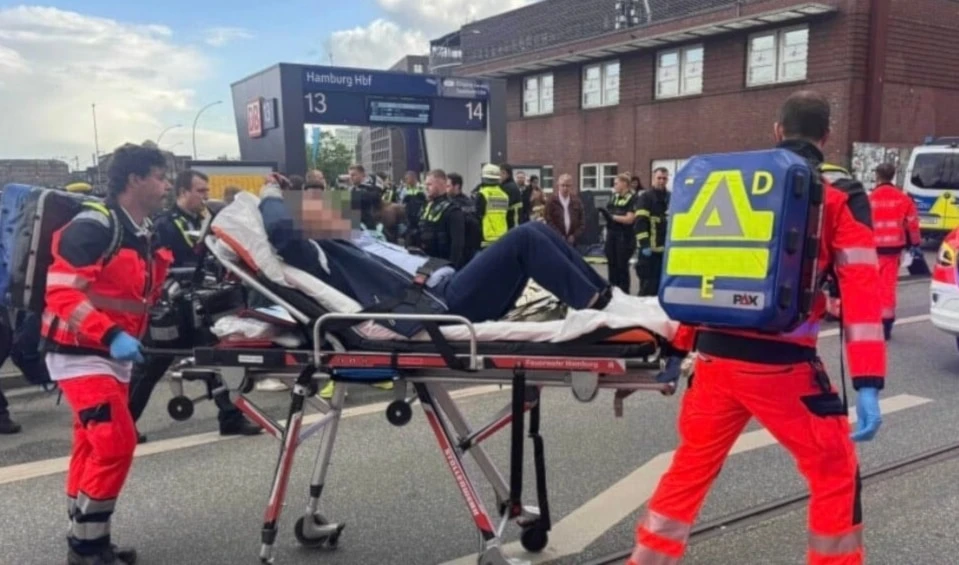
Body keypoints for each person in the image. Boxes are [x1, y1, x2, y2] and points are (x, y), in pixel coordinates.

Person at [628, 91, 886, 565]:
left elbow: (700, 273)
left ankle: (646, 560)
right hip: (782, 370)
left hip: (712, 364)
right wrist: (867, 382)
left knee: (688, 472)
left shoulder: (732, 181)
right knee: (835, 473)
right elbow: (862, 292)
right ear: (827, 135)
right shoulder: (837, 194)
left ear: (777, 131)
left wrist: (678, 351)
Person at [42, 143, 175, 565]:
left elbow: (133, 293)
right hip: (79, 351)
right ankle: (87, 549)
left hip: (110, 354)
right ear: (135, 179)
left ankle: (84, 532)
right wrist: (112, 333)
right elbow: (62, 293)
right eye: (160, 177)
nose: (167, 185)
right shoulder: (95, 225)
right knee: (116, 443)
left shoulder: (143, 230)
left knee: (90, 444)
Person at [258, 186, 621, 337]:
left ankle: (606, 297)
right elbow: (280, 231)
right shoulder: (327, 255)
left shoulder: (361, 236)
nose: (333, 209)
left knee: (536, 230)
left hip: (447, 285)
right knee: (525, 237)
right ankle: (597, 314)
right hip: (442, 304)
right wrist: (271, 194)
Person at [129, 170, 260, 443]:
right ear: (182, 192)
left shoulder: (208, 220)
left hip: (203, 304)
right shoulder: (164, 224)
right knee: (151, 367)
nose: (206, 196)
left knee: (218, 359)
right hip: (174, 307)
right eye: (200, 191)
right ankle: (124, 425)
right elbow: (155, 264)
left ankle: (232, 418)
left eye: (206, 190)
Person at [868, 162, 920, 339]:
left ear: (877, 176)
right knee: (887, 287)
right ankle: (886, 325)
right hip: (893, 251)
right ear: (893, 176)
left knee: (871, 286)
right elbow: (912, 223)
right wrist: (915, 244)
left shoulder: (869, 199)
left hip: (872, 251)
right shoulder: (903, 199)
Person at [415, 169, 467, 269]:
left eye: (429, 184)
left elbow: (457, 244)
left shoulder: (453, 210)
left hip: (443, 263)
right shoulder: (427, 206)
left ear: (441, 185)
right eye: (426, 184)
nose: (426, 188)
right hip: (426, 262)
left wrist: (451, 268)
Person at [634, 167, 670, 296]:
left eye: (664, 178)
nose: (662, 181)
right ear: (653, 179)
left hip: (665, 250)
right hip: (649, 252)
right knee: (648, 286)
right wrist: (644, 244)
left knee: (662, 287)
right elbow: (640, 222)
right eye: (659, 178)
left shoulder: (670, 197)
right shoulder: (646, 197)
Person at [600, 174, 637, 293]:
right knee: (612, 264)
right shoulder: (614, 197)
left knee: (622, 266)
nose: (614, 186)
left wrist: (612, 217)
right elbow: (608, 212)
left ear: (624, 184)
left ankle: (624, 292)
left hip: (624, 236)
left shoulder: (633, 198)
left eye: (616, 183)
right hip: (611, 235)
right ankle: (613, 291)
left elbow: (630, 219)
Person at [447, 172, 482, 265]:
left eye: (448, 186)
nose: (446, 189)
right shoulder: (470, 202)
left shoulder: (452, 205)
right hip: (473, 247)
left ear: (457, 186)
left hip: (461, 248)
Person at [475, 164, 512, 248]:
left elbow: (477, 216)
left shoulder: (482, 194)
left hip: (486, 238)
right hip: (502, 236)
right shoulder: (504, 195)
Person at [544, 173, 585, 246]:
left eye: (567, 185)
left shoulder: (577, 201)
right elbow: (548, 221)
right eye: (563, 185)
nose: (565, 188)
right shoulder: (551, 201)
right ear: (558, 185)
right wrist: (559, 235)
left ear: (571, 186)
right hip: (556, 241)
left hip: (573, 242)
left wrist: (574, 236)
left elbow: (582, 222)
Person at [498, 164, 523, 228]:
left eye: (499, 174)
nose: (498, 176)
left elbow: (502, 205)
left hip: (513, 221)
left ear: (505, 173)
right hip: (511, 220)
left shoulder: (509, 187)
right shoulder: (507, 185)